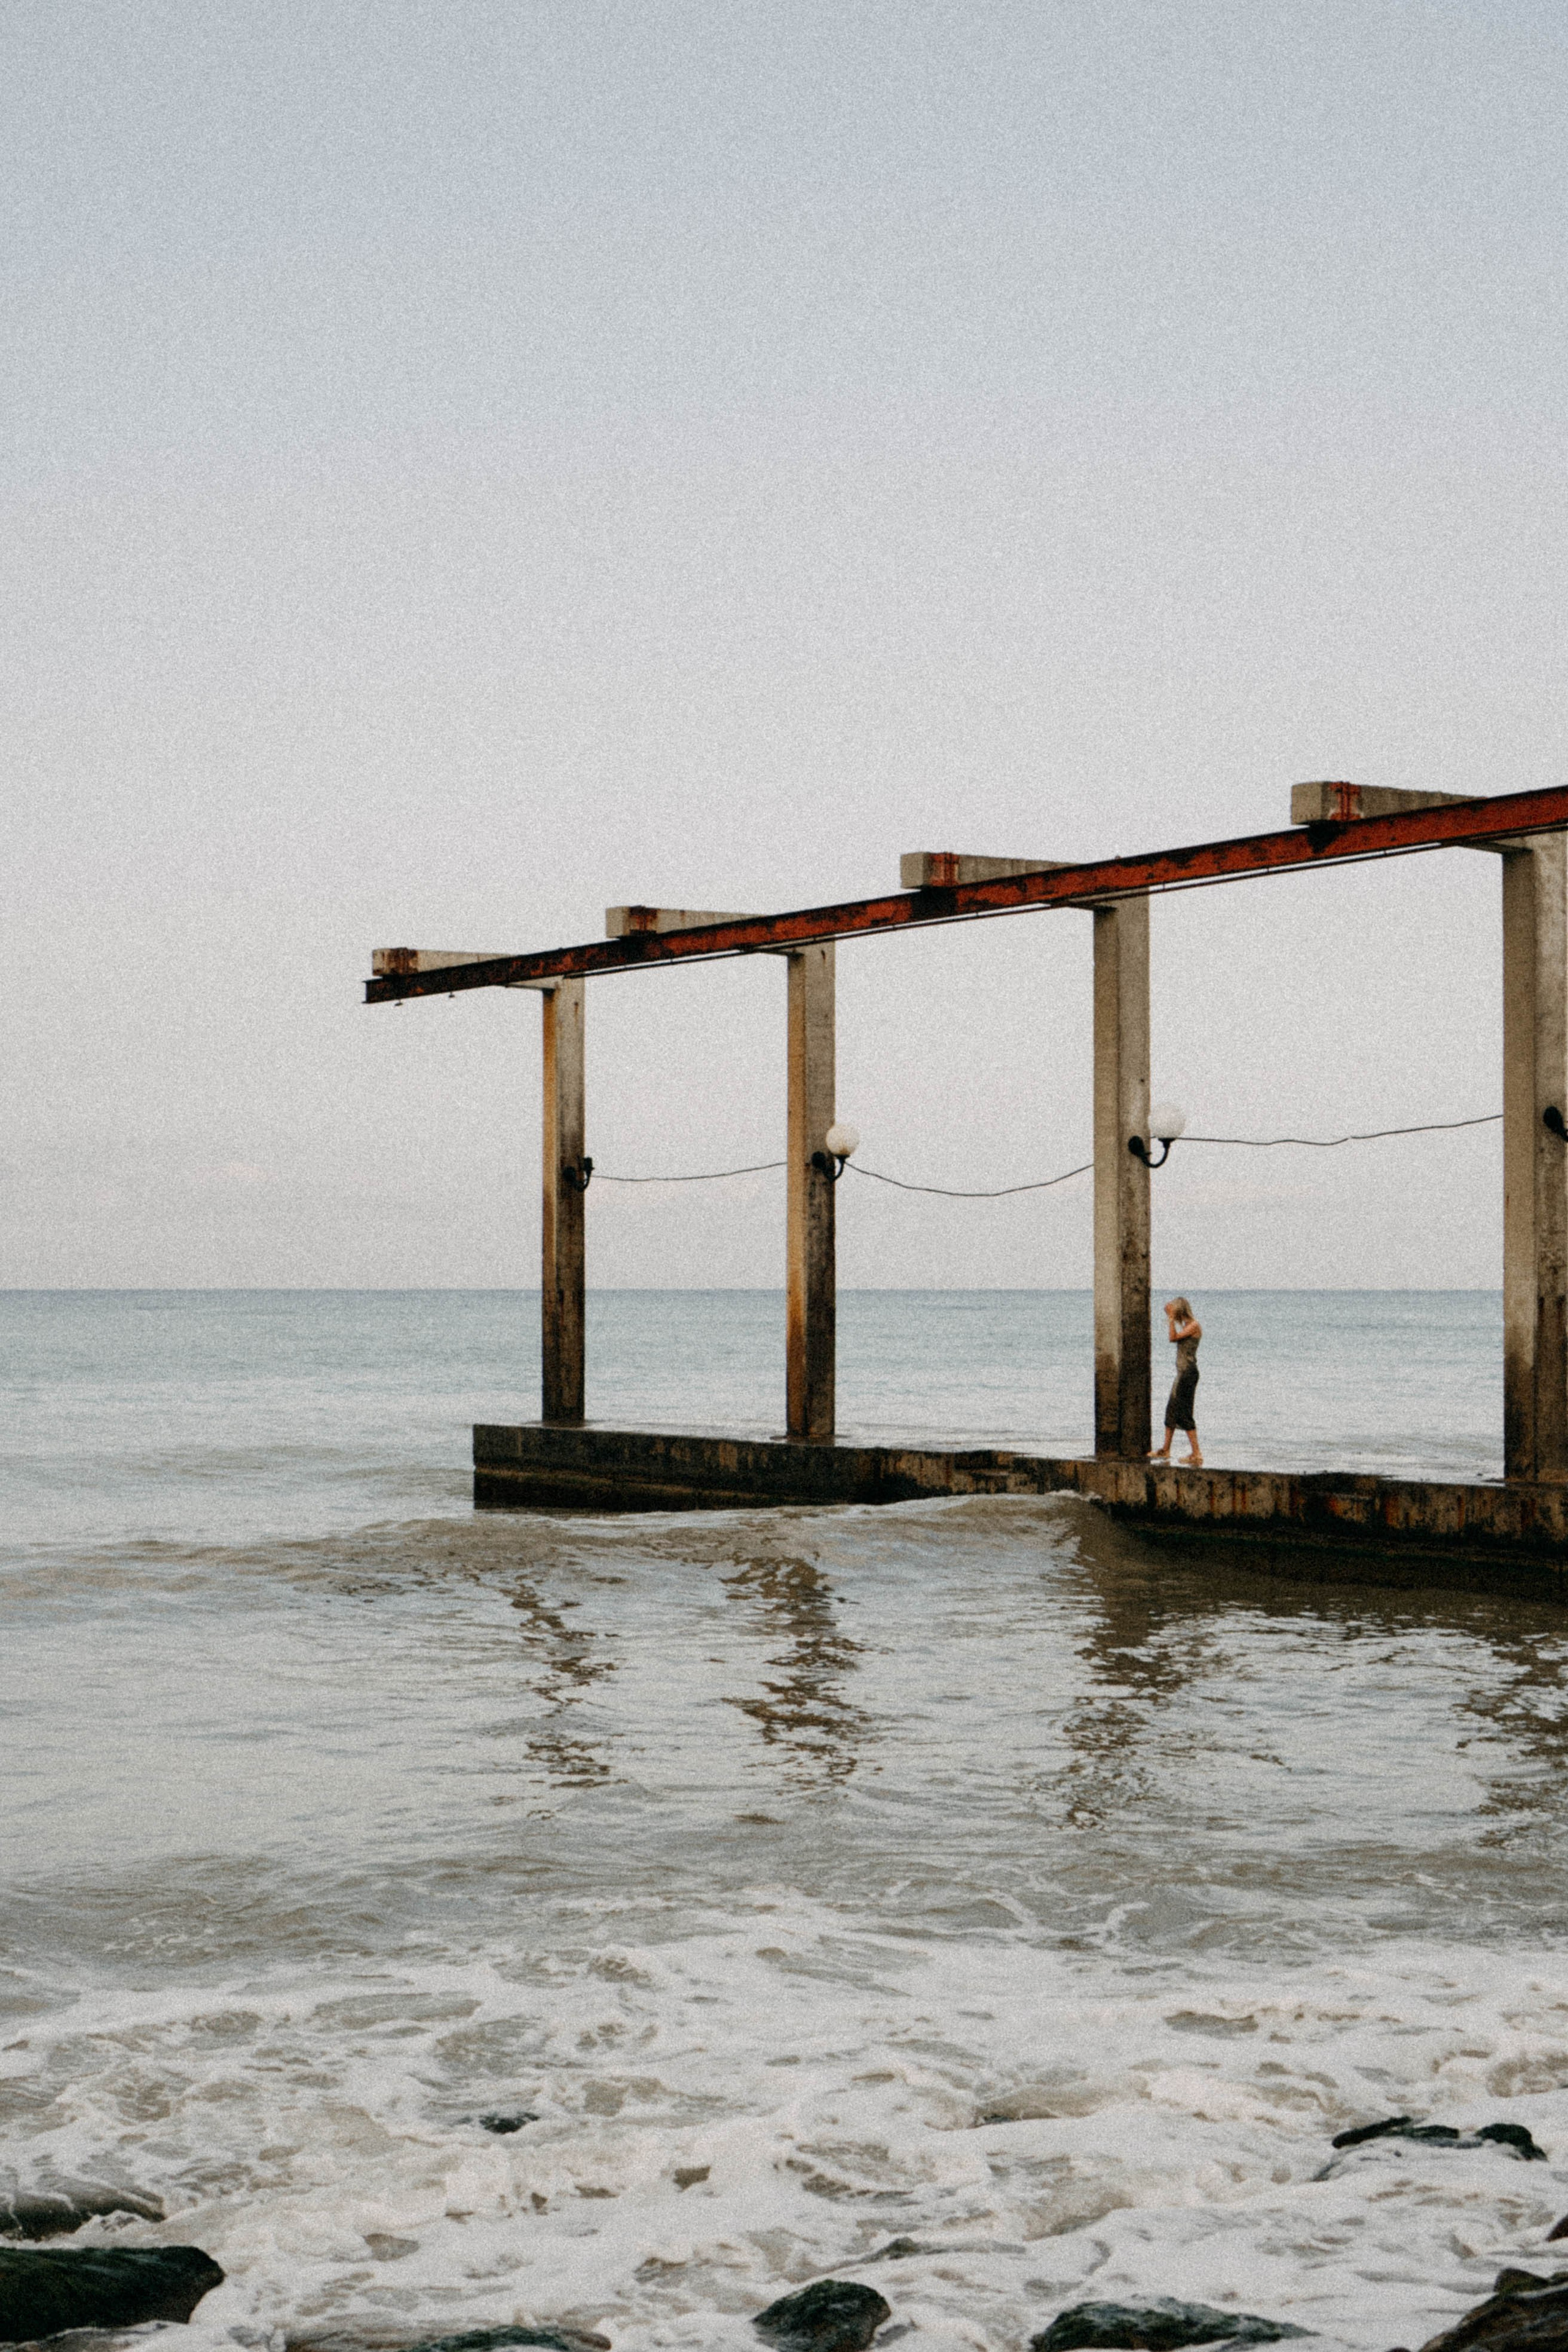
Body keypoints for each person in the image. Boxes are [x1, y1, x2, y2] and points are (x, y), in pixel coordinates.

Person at [1150, 1296, 1202, 1465]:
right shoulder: (1188, 1326)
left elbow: (1172, 1338)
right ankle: (1166, 1449)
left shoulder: (1194, 1325)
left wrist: (1171, 1319)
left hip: (1188, 1373)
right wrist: (1171, 1318)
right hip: (1181, 1374)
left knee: (1185, 1412)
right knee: (1171, 1410)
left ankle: (1197, 1453)